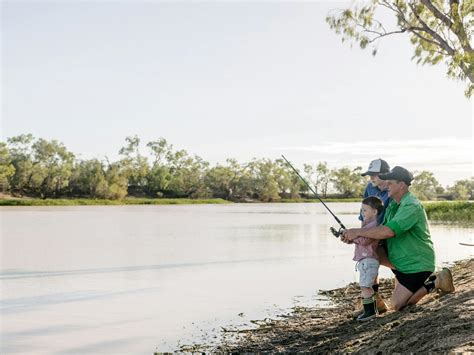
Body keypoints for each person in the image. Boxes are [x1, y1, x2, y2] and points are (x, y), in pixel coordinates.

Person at [342, 166, 455, 311]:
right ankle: (375, 297)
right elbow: (377, 232)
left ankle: (437, 281)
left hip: (416, 264)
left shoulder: (411, 206)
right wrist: (356, 238)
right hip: (400, 261)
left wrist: (357, 232)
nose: (386, 186)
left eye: (390, 183)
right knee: (371, 249)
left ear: (401, 184)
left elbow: (388, 231)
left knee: (398, 305)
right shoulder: (393, 205)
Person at [351, 196, 385, 321]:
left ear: (375, 212)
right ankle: (370, 310)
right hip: (365, 261)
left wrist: (353, 235)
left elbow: (364, 241)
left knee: (366, 286)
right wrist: (349, 237)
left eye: (365, 210)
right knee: (365, 286)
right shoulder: (366, 225)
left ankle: (370, 312)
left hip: (369, 261)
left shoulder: (374, 226)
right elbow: (360, 240)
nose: (362, 213)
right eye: (361, 210)